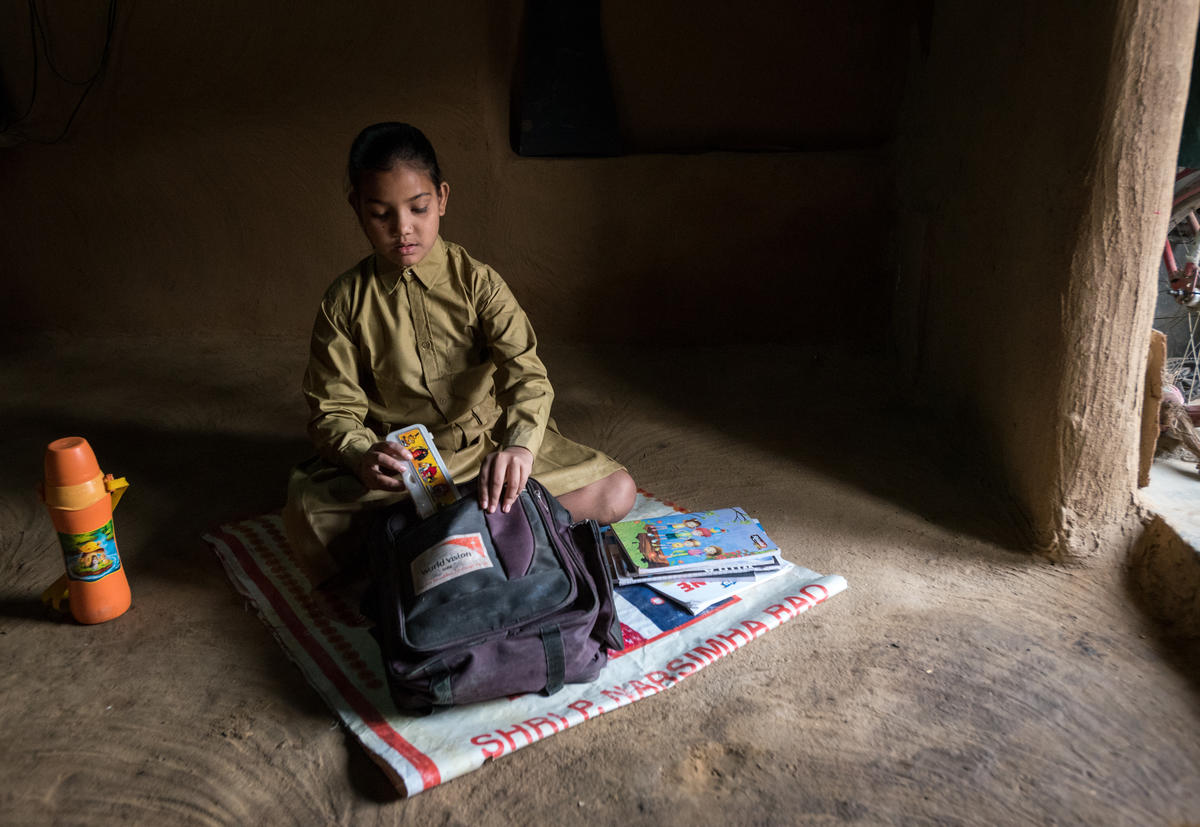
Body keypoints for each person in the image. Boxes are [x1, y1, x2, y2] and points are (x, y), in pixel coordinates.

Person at [284, 122, 636, 579]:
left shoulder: (479, 283)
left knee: (616, 492)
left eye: (418, 208)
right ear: (357, 208)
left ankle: (440, 540)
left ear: (442, 199)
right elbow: (333, 411)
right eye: (380, 214)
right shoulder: (344, 302)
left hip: (487, 447)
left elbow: (527, 376)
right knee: (312, 526)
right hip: (407, 471)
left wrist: (520, 451)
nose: (403, 228)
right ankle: (491, 532)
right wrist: (362, 455)